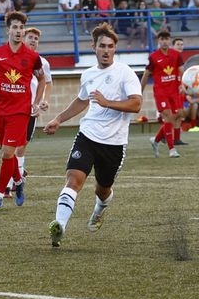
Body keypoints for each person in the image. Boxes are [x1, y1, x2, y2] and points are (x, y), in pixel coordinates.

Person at [44, 22, 142, 247]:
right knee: (73, 180)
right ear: (94, 48)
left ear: (115, 49)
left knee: (103, 189)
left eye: (110, 46)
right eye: (102, 46)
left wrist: (108, 103)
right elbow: (82, 100)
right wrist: (59, 119)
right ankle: (59, 227)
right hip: (87, 136)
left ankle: (99, 209)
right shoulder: (88, 75)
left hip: (114, 144)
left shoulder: (125, 73)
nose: (106, 50)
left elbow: (136, 104)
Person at [0, 11, 46, 211]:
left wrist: (36, 101)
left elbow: (42, 78)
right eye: (15, 27)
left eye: (21, 27)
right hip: (0, 110)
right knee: (6, 151)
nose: (18, 31)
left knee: (7, 152)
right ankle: (18, 180)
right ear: (8, 30)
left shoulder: (32, 57)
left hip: (20, 112)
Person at [9, 27, 53, 192]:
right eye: (30, 37)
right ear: (23, 39)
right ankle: (15, 178)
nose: (33, 40)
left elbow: (48, 83)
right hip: (13, 108)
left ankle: (17, 177)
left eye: (36, 38)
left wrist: (45, 101)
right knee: (10, 145)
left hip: (31, 109)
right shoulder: (12, 58)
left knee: (22, 145)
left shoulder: (42, 62)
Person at [142, 29, 184, 159]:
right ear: (158, 41)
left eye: (167, 39)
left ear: (169, 40)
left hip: (174, 92)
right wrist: (139, 91)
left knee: (175, 116)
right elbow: (146, 74)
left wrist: (182, 83)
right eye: (162, 39)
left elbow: (182, 70)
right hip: (161, 92)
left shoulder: (176, 55)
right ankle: (172, 149)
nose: (165, 41)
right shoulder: (153, 57)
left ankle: (155, 140)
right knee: (169, 117)